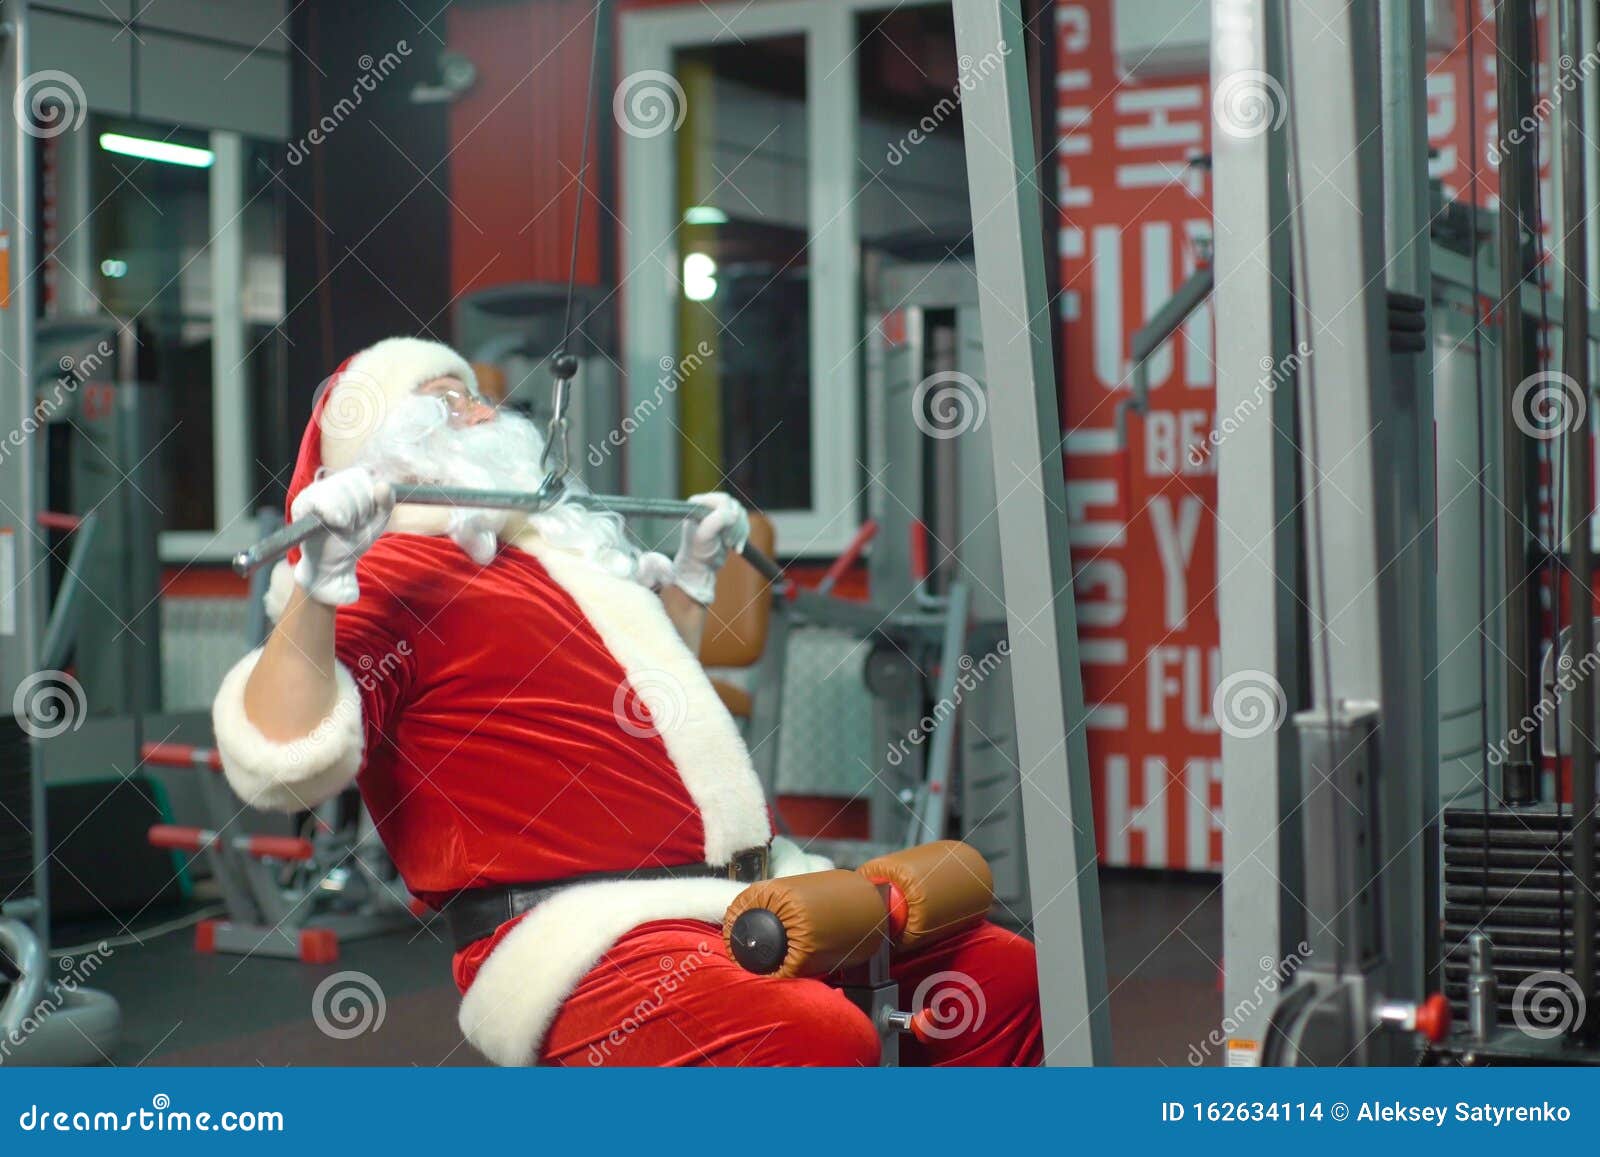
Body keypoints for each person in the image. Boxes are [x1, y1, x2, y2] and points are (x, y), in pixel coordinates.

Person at [211, 336, 1042, 1066]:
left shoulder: (561, 550)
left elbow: (654, 722)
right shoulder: (387, 571)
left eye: (473, 393)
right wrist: (317, 587)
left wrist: (687, 581)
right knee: (812, 1036)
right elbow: (278, 759)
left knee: (1002, 975)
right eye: (440, 401)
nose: (475, 410)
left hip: (751, 896)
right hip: (587, 936)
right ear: (385, 450)